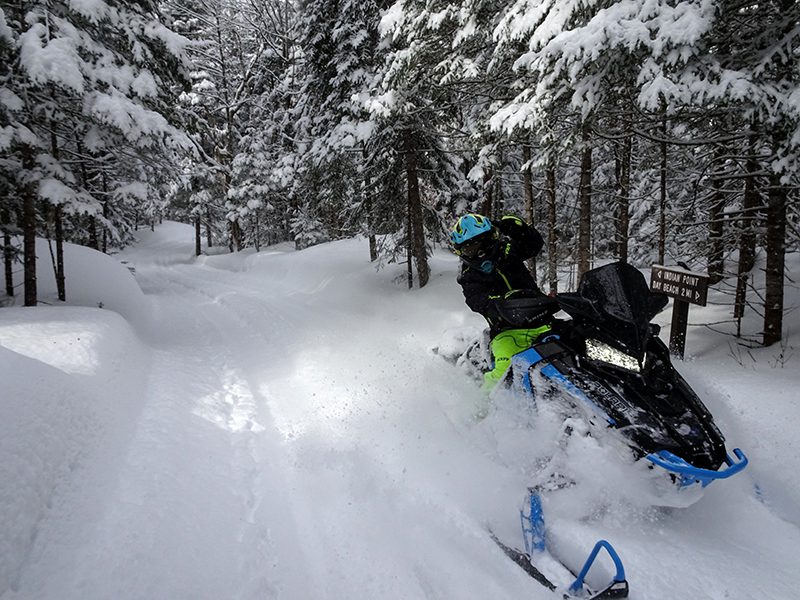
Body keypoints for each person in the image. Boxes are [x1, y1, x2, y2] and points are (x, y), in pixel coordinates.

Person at [450, 213, 553, 392]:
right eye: (471, 248)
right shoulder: (468, 274)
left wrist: (517, 228)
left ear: (493, 237)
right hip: (507, 330)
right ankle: (480, 409)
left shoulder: (507, 250)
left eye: (484, 242)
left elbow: (533, 245)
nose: (481, 251)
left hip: (542, 317)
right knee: (504, 369)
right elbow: (477, 300)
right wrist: (499, 305)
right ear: (461, 251)